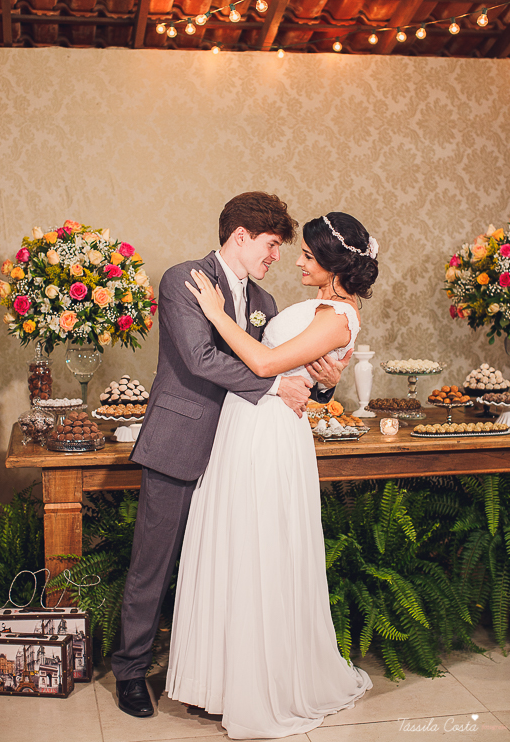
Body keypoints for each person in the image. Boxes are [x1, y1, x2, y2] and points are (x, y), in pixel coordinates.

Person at [112, 193, 349, 717]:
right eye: (271, 245)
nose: (277, 257)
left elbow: (293, 366)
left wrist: (326, 384)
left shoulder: (266, 303)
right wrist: (273, 387)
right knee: (153, 565)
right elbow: (200, 359)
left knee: (226, 568)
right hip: (179, 445)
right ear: (240, 235)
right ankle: (129, 672)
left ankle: (216, 681)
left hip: (238, 460)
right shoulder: (183, 280)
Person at [166, 212, 379, 739]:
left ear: (333, 266)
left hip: (269, 437)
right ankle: (221, 682)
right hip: (245, 428)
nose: (296, 261)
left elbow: (264, 365)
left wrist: (216, 314)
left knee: (260, 551)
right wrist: (323, 382)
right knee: (235, 548)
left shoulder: (339, 316)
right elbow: (298, 371)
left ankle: (259, 687)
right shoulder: (319, 309)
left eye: (307, 255)